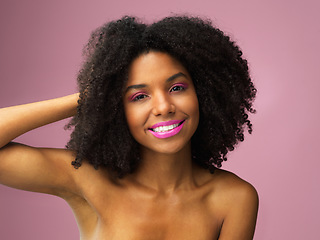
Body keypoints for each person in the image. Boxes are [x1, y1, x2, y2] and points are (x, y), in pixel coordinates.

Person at [0, 16, 258, 239]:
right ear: (115, 107)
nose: (163, 107)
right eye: (139, 96)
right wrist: (86, 100)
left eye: (176, 88)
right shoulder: (88, 180)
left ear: (204, 93)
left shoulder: (234, 198)